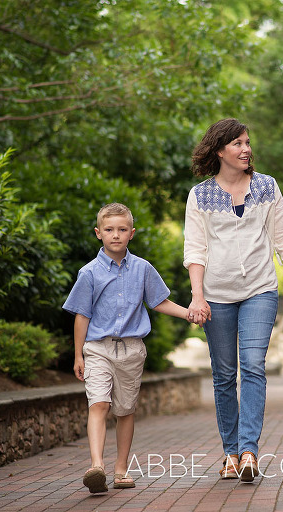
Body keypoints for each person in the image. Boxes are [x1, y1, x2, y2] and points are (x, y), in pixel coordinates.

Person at [183, 118, 283, 482]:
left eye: (247, 142)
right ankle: (230, 453)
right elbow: (195, 249)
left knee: (253, 366)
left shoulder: (267, 187)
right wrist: (198, 296)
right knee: (224, 375)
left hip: (259, 290)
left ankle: (249, 451)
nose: (246, 149)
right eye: (238, 143)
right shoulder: (200, 195)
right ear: (220, 149)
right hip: (216, 297)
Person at [63, 202, 192, 493]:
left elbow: (158, 302)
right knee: (99, 403)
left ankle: (121, 470)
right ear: (98, 233)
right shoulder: (89, 273)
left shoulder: (143, 269)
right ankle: (97, 466)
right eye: (109, 230)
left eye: (122, 229)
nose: (116, 235)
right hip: (98, 348)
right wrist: (78, 354)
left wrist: (189, 313)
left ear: (131, 233)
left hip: (132, 350)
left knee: (125, 410)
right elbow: (81, 315)